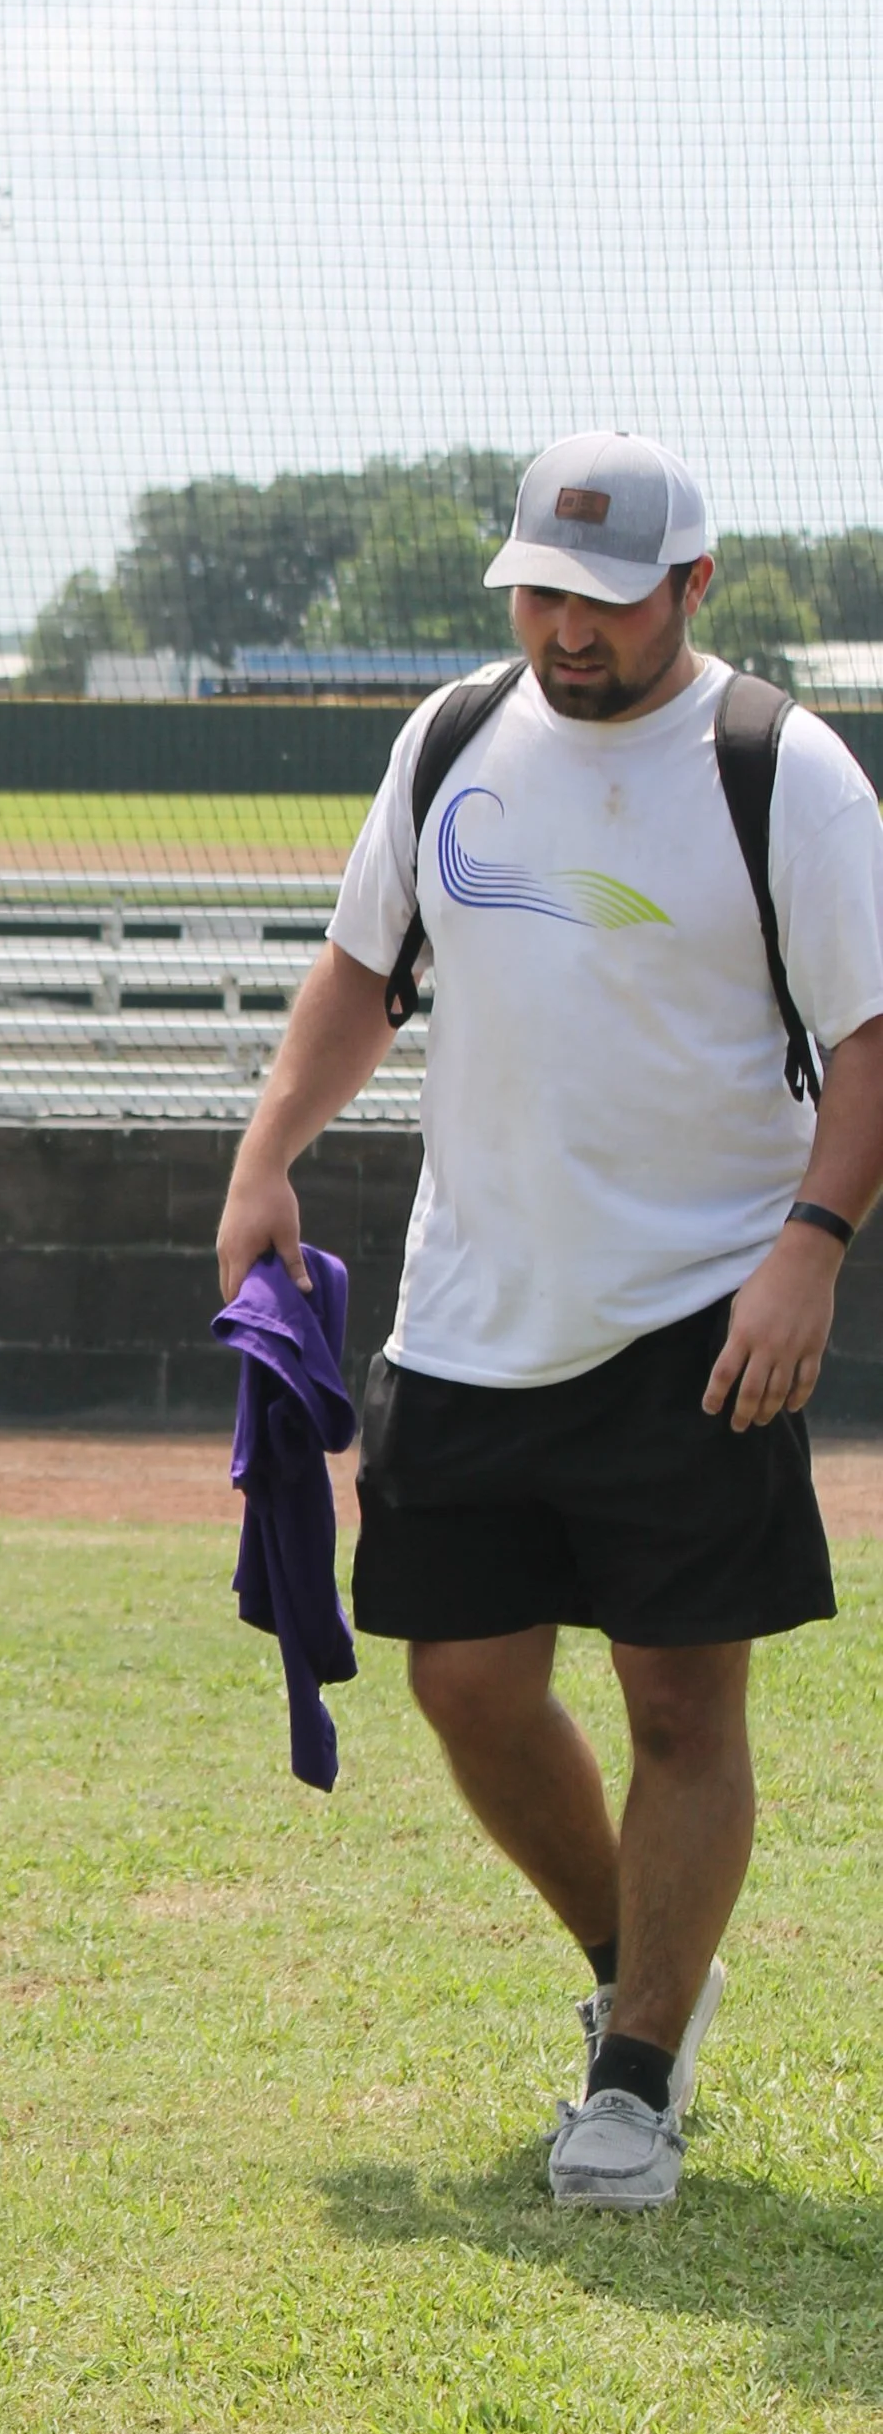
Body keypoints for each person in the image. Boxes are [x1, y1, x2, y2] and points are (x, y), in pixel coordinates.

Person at [217, 431, 883, 2209]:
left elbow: (876, 1038)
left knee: (680, 1701)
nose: (565, 633)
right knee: (467, 1683)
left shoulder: (784, 775)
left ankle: (640, 2078)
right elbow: (364, 971)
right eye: (539, 595)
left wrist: (810, 1246)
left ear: (693, 590)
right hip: (472, 1308)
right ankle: (641, 1974)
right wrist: (268, 1153)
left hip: (703, 1307)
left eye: (601, 602)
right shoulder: (447, 740)